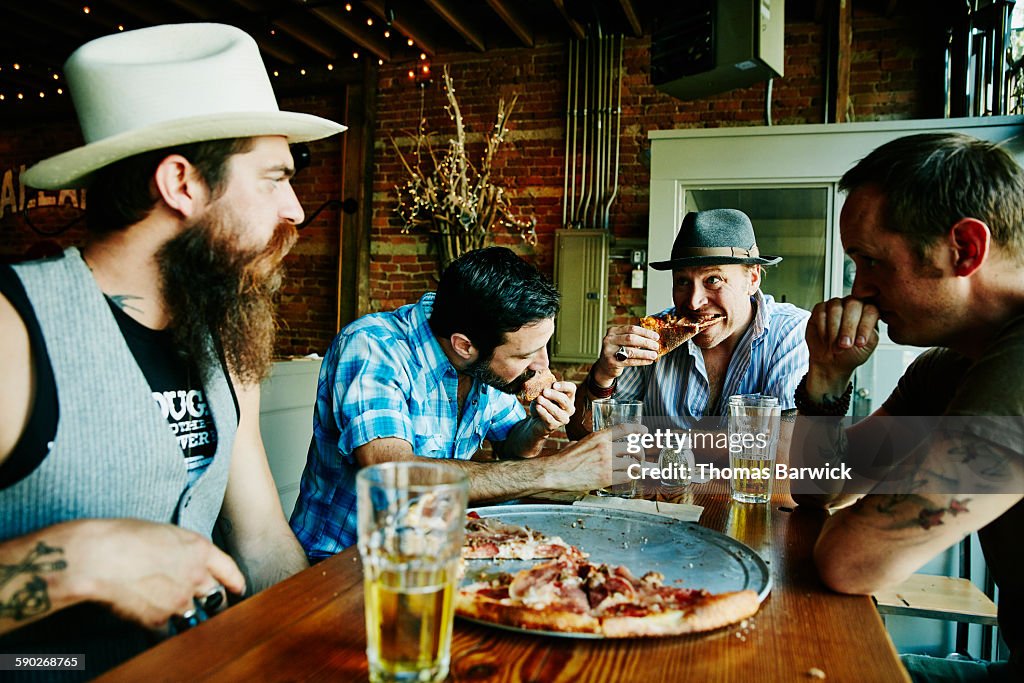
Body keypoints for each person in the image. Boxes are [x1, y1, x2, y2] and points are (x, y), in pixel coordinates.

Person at [0, 23, 345, 676]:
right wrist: (81, 559)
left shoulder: (222, 333)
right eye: (274, 178)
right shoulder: (14, 329)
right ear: (181, 183)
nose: (295, 209)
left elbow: (263, 541)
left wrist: (333, 641)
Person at [791, 132, 1024, 682]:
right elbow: (821, 489)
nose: (859, 290)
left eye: (871, 261)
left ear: (965, 249)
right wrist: (826, 377)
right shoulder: (945, 368)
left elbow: (854, 562)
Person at [290, 246, 622, 560]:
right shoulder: (373, 346)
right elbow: (391, 476)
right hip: (346, 561)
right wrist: (554, 471)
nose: (541, 364)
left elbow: (512, 449)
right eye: (524, 354)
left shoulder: (486, 363)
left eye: (543, 346)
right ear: (464, 345)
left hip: (434, 553)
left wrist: (537, 427)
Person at [566, 208, 809, 463]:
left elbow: (782, 452)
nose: (693, 302)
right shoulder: (654, 335)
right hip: (658, 500)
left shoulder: (791, 332)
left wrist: (650, 442)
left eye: (713, 279)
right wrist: (603, 375)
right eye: (683, 282)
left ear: (753, 279)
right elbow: (581, 436)